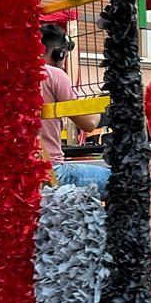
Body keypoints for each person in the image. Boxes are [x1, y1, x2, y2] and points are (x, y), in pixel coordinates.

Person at [39, 24, 110, 198]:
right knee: (122, 180)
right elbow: (89, 123)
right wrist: (111, 110)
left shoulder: (14, 75)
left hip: (22, 171)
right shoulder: (54, 74)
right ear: (59, 54)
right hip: (51, 171)